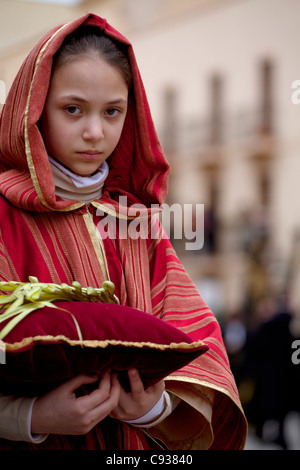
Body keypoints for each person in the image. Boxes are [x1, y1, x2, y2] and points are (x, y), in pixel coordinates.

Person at [0, 12, 247, 450]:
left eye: (112, 111)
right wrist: (31, 416)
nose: (95, 132)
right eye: (72, 109)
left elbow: (197, 343)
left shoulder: (138, 223)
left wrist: (153, 409)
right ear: (33, 110)